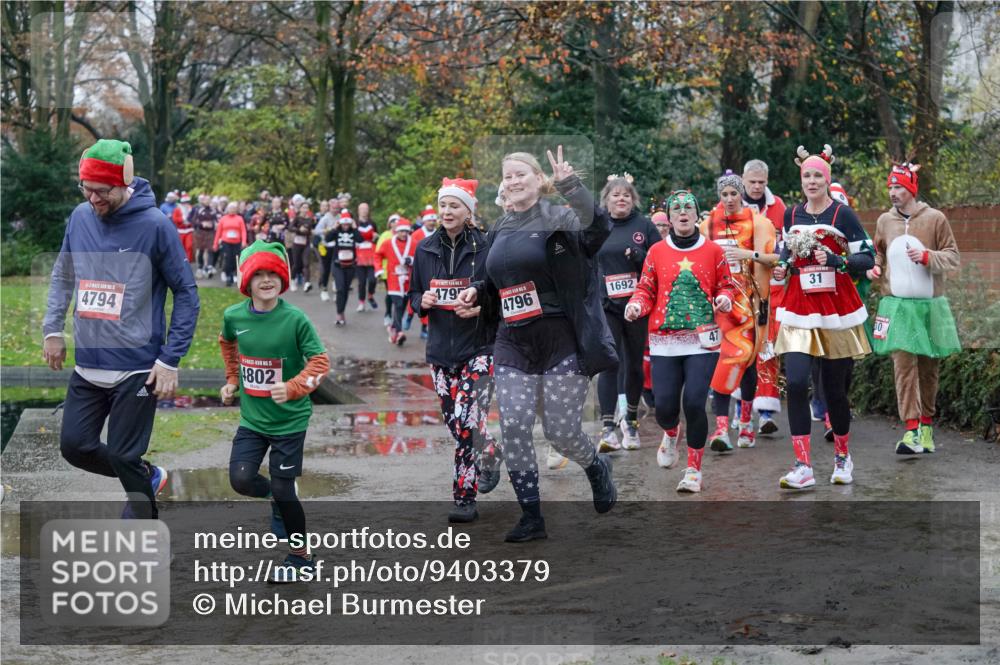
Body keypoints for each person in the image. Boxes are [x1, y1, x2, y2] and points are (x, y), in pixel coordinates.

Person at [455, 146, 617, 543]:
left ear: (537, 178)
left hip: (559, 336)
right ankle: (531, 516)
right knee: (513, 425)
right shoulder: (501, 227)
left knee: (561, 432)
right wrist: (477, 292)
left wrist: (572, 187)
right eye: (506, 176)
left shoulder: (559, 217)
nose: (512, 181)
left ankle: (595, 466)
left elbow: (598, 230)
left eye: (519, 174)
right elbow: (496, 280)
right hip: (513, 340)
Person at [43, 139, 200, 519]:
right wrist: (53, 329)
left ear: (124, 182)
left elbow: (187, 293)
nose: (93, 198)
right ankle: (147, 477)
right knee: (75, 446)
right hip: (89, 362)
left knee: (123, 454)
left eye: (102, 191)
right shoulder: (80, 217)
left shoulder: (156, 226)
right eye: (86, 188)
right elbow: (64, 273)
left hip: (137, 367)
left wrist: (169, 359)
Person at [219, 239, 329, 581]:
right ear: (246, 281)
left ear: (283, 278)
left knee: (285, 490)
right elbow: (229, 345)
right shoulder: (233, 316)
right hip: (253, 420)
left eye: (273, 274)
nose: (266, 280)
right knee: (240, 479)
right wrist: (232, 380)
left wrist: (293, 386)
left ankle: (301, 558)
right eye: (258, 274)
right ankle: (276, 498)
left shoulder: (295, 320)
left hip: (289, 421)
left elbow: (320, 362)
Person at [772, 144, 874, 488]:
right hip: (799, 305)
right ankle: (802, 466)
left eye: (818, 175)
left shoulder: (842, 215)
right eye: (807, 176)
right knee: (798, 383)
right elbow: (786, 248)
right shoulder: (791, 214)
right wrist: (784, 266)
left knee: (834, 390)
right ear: (801, 180)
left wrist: (836, 262)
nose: (812, 181)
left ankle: (843, 456)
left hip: (836, 307)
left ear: (828, 180)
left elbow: (869, 259)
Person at [625, 190, 734, 490]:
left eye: (688, 208)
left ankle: (693, 471)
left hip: (703, 341)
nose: (683, 212)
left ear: (697, 215)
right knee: (665, 408)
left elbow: (726, 285)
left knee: (696, 402)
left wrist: (724, 299)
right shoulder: (657, 252)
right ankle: (672, 432)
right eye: (677, 209)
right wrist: (636, 305)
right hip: (665, 342)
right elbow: (646, 289)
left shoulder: (713, 251)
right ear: (669, 217)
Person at [408, 178, 503, 523]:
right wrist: (424, 301)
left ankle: (464, 498)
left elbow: (501, 293)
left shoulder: (486, 246)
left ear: (469, 211)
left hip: (479, 348)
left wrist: (481, 307)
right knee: (457, 423)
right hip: (440, 353)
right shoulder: (424, 248)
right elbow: (413, 295)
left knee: (465, 424)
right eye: (443, 205)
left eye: (455, 206)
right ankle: (490, 450)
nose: (447, 211)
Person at [869, 161, 961, 454]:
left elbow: (953, 257)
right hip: (897, 306)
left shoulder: (935, 219)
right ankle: (910, 432)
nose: (893, 192)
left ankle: (926, 427)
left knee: (928, 368)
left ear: (911, 189)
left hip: (929, 306)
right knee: (903, 365)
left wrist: (926, 256)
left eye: (898, 187)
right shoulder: (885, 221)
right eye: (890, 187)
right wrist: (875, 267)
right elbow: (879, 251)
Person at [703, 171, 776, 452]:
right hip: (720, 305)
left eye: (734, 193)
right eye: (725, 194)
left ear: (741, 194)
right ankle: (722, 426)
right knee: (722, 361)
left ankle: (746, 420)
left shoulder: (757, 223)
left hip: (750, 305)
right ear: (719, 196)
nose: (730, 199)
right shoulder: (708, 224)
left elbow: (775, 257)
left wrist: (749, 255)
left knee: (746, 361)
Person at [594, 173, 659, 452]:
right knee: (609, 363)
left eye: (626, 195)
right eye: (615, 195)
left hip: (637, 306)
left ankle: (630, 422)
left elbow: (659, 262)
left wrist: (640, 256)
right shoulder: (597, 225)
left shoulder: (644, 226)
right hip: (606, 304)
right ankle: (608, 428)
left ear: (633, 200)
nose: (621, 199)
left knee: (633, 365)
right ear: (606, 199)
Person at [741, 160, 787, 435]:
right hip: (739, 289)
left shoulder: (779, 207)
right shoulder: (731, 205)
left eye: (762, 182)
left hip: (771, 289)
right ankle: (740, 408)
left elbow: (786, 245)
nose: (757, 187)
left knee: (768, 348)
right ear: (744, 180)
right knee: (741, 349)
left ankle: (766, 412)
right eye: (752, 182)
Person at [375, 217, 417, 345]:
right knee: (398, 305)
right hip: (393, 280)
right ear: (396, 231)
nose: (403, 234)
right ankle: (399, 332)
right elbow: (377, 255)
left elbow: (420, 258)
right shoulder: (388, 243)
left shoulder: (414, 243)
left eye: (406, 231)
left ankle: (394, 327)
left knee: (403, 305)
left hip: (408, 280)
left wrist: (412, 260)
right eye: (401, 231)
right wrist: (379, 269)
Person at [328, 210, 364, 326]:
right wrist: (334, 227)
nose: (345, 226)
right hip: (337, 264)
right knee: (340, 288)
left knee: (345, 290)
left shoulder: (353, 232)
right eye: (344, 224)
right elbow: (328, 238)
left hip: (350, 265)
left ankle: (342, 311)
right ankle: (339, 313)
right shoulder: (337, 231)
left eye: (347, 224)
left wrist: (355, 228)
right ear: (340, 223)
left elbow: (360, 240)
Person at [214, 202, 248, 287]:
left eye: (234, 208)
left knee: (235, 259)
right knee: (228, 258)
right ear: (228, 209)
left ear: (236, 210)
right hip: (226, 242)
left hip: (237, 242)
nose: (232, 210)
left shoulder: (239, 218)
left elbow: (243, 230)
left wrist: (244, 241)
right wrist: (215, 244)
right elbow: (218, 232)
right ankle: (228, 276)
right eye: (230, 208)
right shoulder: (223, 219)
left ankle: (234, 275)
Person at [355, 206, 379, 312]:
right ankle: (361, 302)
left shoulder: (372, 223)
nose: (364, 211)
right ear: (358, 210)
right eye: (362, 209)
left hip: (371, 255)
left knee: (373, 279)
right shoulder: (354, 223)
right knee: (361, 282)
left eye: (366, 209)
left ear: (368, 211)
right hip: (359, 255)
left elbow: (376, 238)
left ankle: (370, 295)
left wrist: (375, 237)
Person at [288, 202, 314, 292]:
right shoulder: (297, 218)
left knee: (306, 263)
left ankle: (307, 283)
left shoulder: (310, 219)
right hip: (297, 244)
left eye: (307, 208)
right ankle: (292, 280)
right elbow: (290, 227)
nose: (305, 209)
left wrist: (309, 232)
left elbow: (311, 231)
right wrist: (299, 229)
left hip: (306, 243)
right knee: (296, 264)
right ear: (300, 209)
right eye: (303, 208)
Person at [192, 193, 219, 277]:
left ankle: (209, 267)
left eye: (208, 200)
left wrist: (215, 224)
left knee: (210, 249)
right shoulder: (198, 209)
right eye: (205, 200)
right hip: (200, 232)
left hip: (210, 232)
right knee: (201, 250)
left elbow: (216, 220)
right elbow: (193, 221)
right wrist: (202, 224)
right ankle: (200, 267)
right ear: (203, 201)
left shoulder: (213, 210)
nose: (207, 201)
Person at [171, 192, 194, 263]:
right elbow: (174, 219)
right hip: (180, 231)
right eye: (184, 202)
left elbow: (195, 218)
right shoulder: (177, 209)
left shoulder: (192, 209)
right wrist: (182, 220)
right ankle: (181, 261)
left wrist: (190, 221)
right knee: (181, 247)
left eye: (187, 202)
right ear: (182, 202)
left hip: (189, 230)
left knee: (189, 246)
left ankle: (188, 261)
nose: (186, 203)